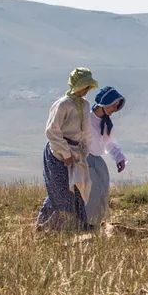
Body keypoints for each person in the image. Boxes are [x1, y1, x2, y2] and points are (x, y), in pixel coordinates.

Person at [36, 67, 99, 232]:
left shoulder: (85, 105)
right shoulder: (63, 104)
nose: (86, 90)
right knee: (59, 190)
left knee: (78, 188)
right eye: (84, 86)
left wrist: (83, 151)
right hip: (57, 153)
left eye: (88, 87)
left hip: (76, 152)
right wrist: (64, 153)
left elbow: (86, 131)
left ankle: (79, 225)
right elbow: (52, 131)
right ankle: (44, 225)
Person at [84, 86, 128, 227]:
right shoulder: (86, 119)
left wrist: (119, 158)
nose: (115, 109)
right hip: (84, 161)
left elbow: (110, 143)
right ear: (104, 104)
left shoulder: (107, 123)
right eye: (113, 106)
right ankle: (87, 224)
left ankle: (95, 224)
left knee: (102, 193)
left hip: (97, 162)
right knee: (92, 192)